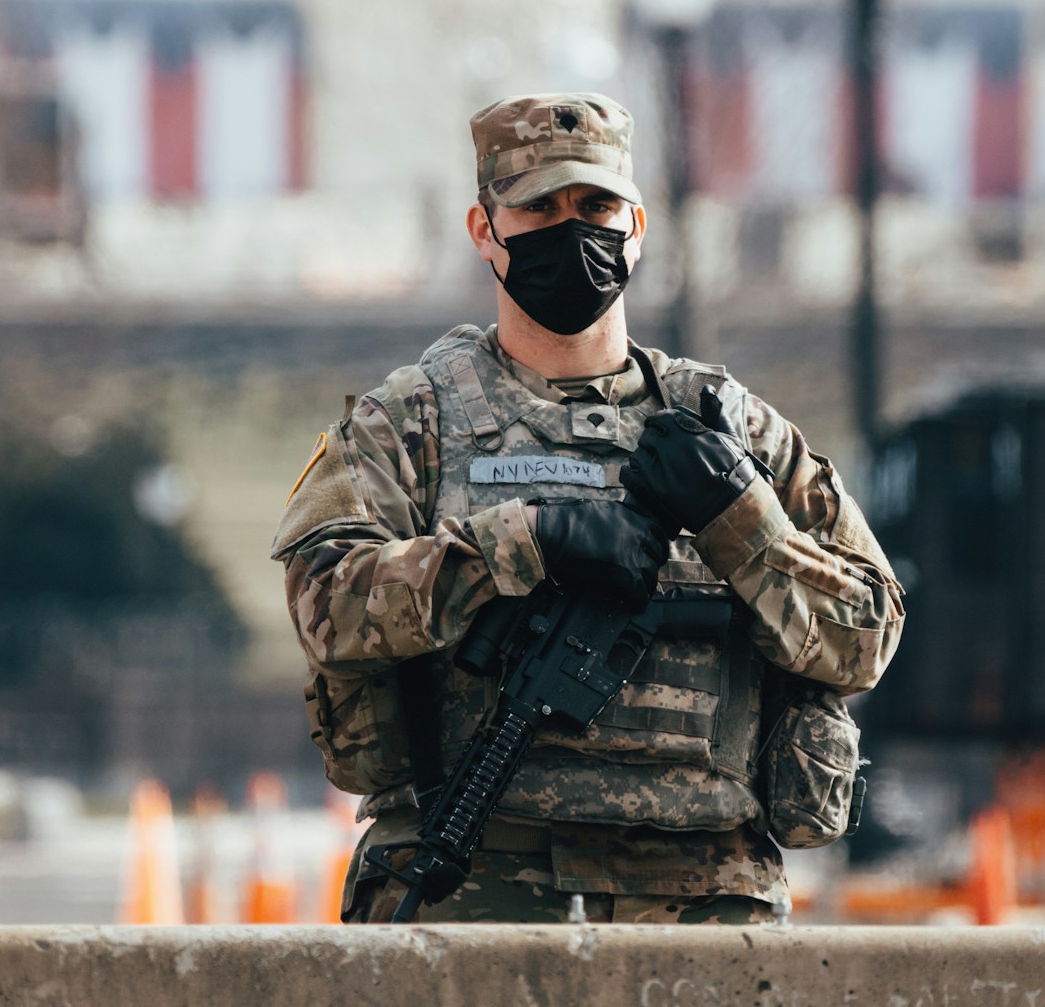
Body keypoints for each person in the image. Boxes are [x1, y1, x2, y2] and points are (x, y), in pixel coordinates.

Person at [271, 92, 904, 925]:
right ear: (484, 229)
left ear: (635, 225)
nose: (572, 229)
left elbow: (867, 639)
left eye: (596, 205)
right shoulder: (411, 420)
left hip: (705, 893)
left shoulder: (735, 428)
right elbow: (326, 604)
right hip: (474, 879)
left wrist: (740, 519)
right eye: (539, 207)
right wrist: (523, 542)